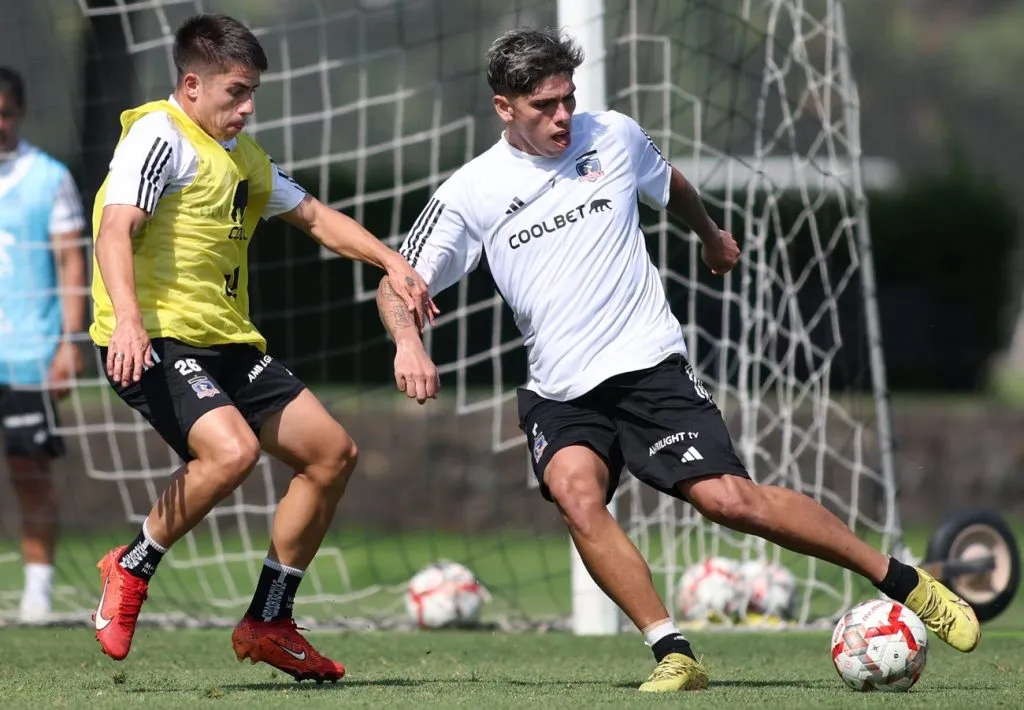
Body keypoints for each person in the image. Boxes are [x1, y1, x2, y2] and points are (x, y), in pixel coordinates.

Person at [376, 27, 981, 692]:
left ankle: (901, 580)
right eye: (544, 105)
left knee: (728, 502)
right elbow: (395, 283)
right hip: (560, 389)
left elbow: (674, 184)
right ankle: (673, 650)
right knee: (577, 496)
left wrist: (712, 237)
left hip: (648, 367)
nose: (562, 116)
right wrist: (408, 340)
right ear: (504, 108)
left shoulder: (613, 136)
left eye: (567, 99)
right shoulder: (471, 192)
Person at [89, 14, 433, 681]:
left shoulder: (240, 156)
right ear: (192, 84)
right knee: (232, 452)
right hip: (155, 338)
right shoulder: (159, 136)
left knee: (332, 455)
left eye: (252, 96)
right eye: (235, 93)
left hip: (226, 341)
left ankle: (269, 621)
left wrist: (392, 261)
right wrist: (128, 320)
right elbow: (113, 232)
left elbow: (315, 219)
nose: (246, 108)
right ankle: (129, 567)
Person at [0, 67, 87, 624]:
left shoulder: (48, 177)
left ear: (20, 112)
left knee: (30, 471)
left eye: (4, 112)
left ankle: (37, 593)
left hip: (29, 353)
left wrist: (70, 341)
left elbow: (72, 261)